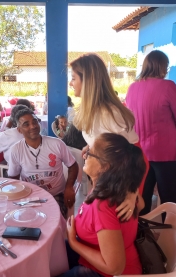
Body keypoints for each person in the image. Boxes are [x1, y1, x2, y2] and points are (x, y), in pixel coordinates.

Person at [70, 53, 147, 220]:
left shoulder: (109, 114)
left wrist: (133, 193)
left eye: (74, 78)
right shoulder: (92, 109)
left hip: (121, 181)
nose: (71, 83)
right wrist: (92, 147)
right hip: (105, 178)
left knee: (113, 225)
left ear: (88, 81)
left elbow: (136, 154)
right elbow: (107, 141)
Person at [60, 133, 145, 277]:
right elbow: (141, 204)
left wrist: (74, 242)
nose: (84, 154)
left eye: (90, 152)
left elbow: (114, 268)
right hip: (96, 258)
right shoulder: (121, 187)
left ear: (104, 167)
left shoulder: (102, 205)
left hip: (105, 273)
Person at [126, 50, 176, 215]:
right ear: (163, 66)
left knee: (142, 198)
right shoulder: (168, 86)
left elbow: (129, 119)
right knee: (169, 198)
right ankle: (169, 237)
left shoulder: (132, 88)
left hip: (140, 152)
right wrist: (173, 135)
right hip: (166, 152)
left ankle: (140, 234)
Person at [7, 109, 79, 218]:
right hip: (29, 197)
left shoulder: (56, 144)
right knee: (24, 223)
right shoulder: (16, 150)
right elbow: (14, 178)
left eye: (35, 121)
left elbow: (73, 165)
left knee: (52, 220)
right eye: (26, 124)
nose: (33, 126)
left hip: (56, 195)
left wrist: (69, 187)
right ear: (19, 130)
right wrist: (18, 198)